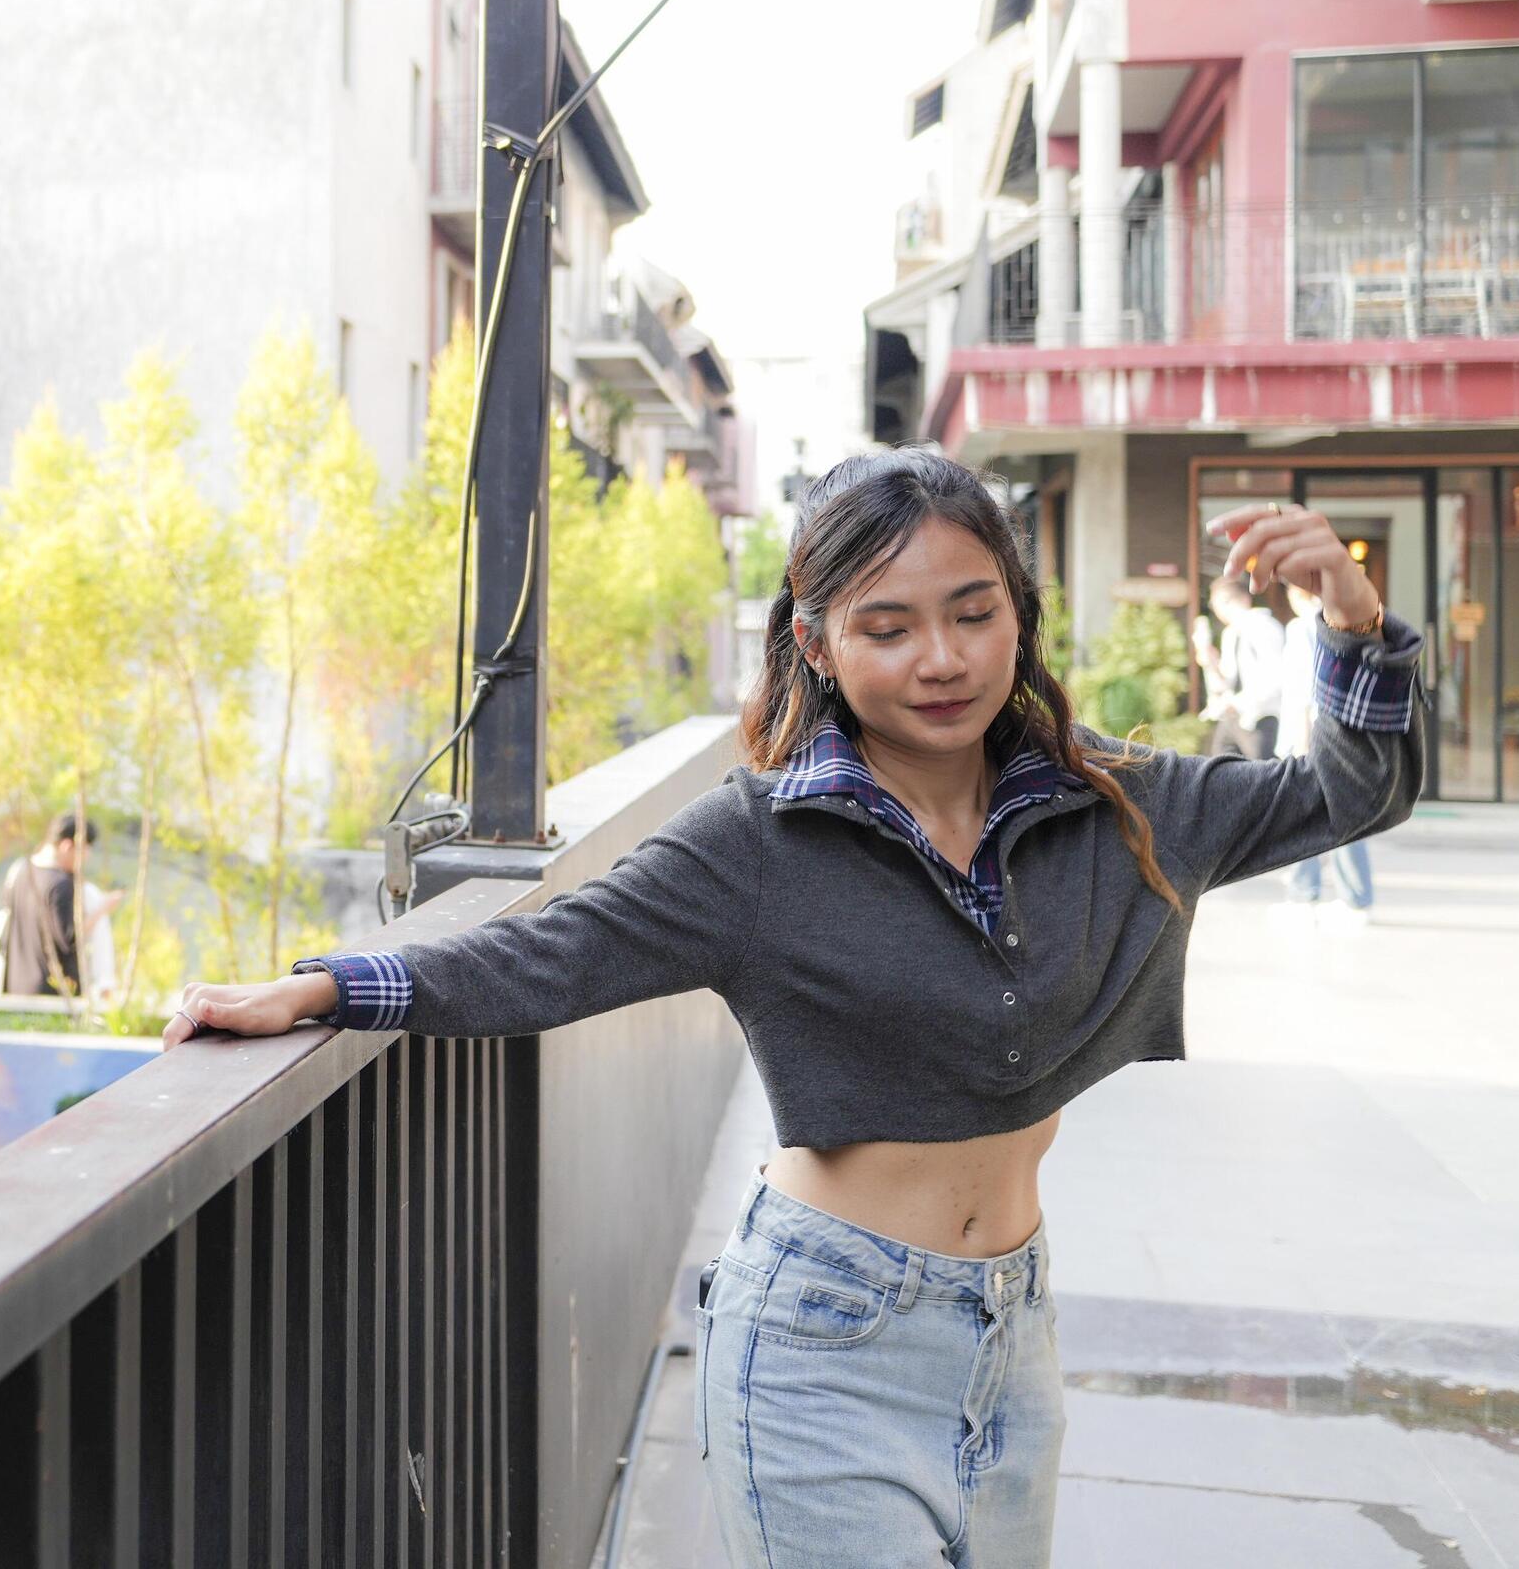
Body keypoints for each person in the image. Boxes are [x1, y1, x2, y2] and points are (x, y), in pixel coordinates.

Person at [161, 450, 1421, 1569]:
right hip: (825, 1341)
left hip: (1012, 1332)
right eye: (887, 627)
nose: (942, 658)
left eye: (974, 612)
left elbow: (1349, 798)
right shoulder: (757, 844)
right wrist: (332, 985)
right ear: (816, 644)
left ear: (1017, 617)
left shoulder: (1120, 801)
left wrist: (1351, 621)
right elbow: (553, 953)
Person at [1277, 581, 1377, 921]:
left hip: (1314, 736)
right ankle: (1342, 896)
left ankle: (1320, 895)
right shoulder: (1348, 626)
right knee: (1333, 815)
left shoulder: (1303, 626)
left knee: (1316, 816)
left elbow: (1305, 691)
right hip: (1342, 734)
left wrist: (1302, 745)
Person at [0, 812, 122, 999]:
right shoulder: (60, 885)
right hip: (51, 995)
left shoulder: (21, 871)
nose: (86, 857)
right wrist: (102, 909)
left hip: (15, 986)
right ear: (67, 845)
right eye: (84, 850)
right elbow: (71, 938)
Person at [1195, 572, 1287, 760]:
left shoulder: (1264, 626)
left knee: (1262, 778)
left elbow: (1277, 679)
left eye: (1223, 602)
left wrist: (1237, 702)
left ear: (1243, 599)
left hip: (1261, 717)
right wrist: (1209, 660)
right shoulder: (1231, 633)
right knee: (1220, 768)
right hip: (1233, 716)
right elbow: (1225, 682)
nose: (1220, 610)